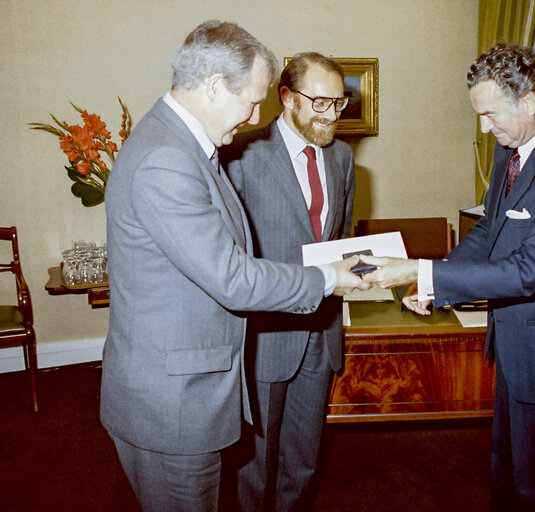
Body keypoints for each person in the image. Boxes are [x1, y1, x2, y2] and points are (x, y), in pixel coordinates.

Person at [100, 21, 368, 512]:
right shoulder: (167, 159)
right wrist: (327, 278)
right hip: (173, 403)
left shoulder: (186, 149)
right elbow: (232, 276)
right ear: (216, 85)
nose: (252, 115)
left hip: (190, 388)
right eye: (252, 99)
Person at [360, 43, 535, 511]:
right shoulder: (513, 143)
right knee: (509, 477)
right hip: (516, 347)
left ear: (531, 102)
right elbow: (493, 228)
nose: (484, 127)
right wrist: (437, 280)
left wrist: (417, 269)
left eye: (491, 114)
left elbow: (527, 272)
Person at [221, 52, 353, 512]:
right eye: (319, 102)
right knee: (254, 464)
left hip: (321, 333)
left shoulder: (343, 158)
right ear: (286, 98)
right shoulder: (241, 154)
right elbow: (229, 256)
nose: (330, 114)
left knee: (303, 460)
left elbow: (339, 239)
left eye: (338, 103)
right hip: (265, 335)